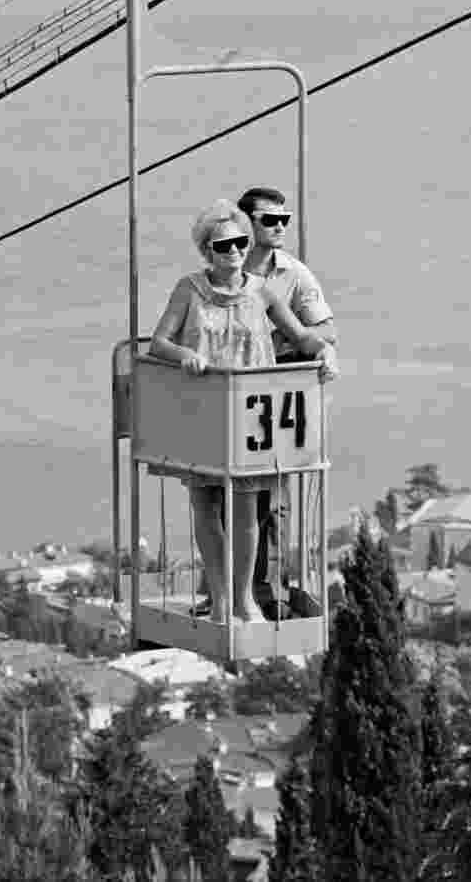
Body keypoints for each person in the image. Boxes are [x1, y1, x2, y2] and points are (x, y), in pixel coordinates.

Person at [150, 200, 337, 623]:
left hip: (251, 412)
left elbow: (301, 335)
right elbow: (159, 342)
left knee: (247, 507)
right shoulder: (189, 290)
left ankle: (243, 598)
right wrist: (184, 355)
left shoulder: (261, 291)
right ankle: (219, 598)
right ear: (207, 251)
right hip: (202, 407)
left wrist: (324, 351)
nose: (233, 251)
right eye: (223, 246)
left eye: (239, 243)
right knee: (206, 504)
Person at [238, 186, 336, 611]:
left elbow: (322, 330)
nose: (279, 227)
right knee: (227, 500)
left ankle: (270, 592)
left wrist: (285, 343)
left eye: (285, 220)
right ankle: (230, 590)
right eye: (268, 220)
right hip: (229, 395)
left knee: (273, 500)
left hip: (272, 399)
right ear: (246, 224)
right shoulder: (224, 267)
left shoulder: (293, 274)